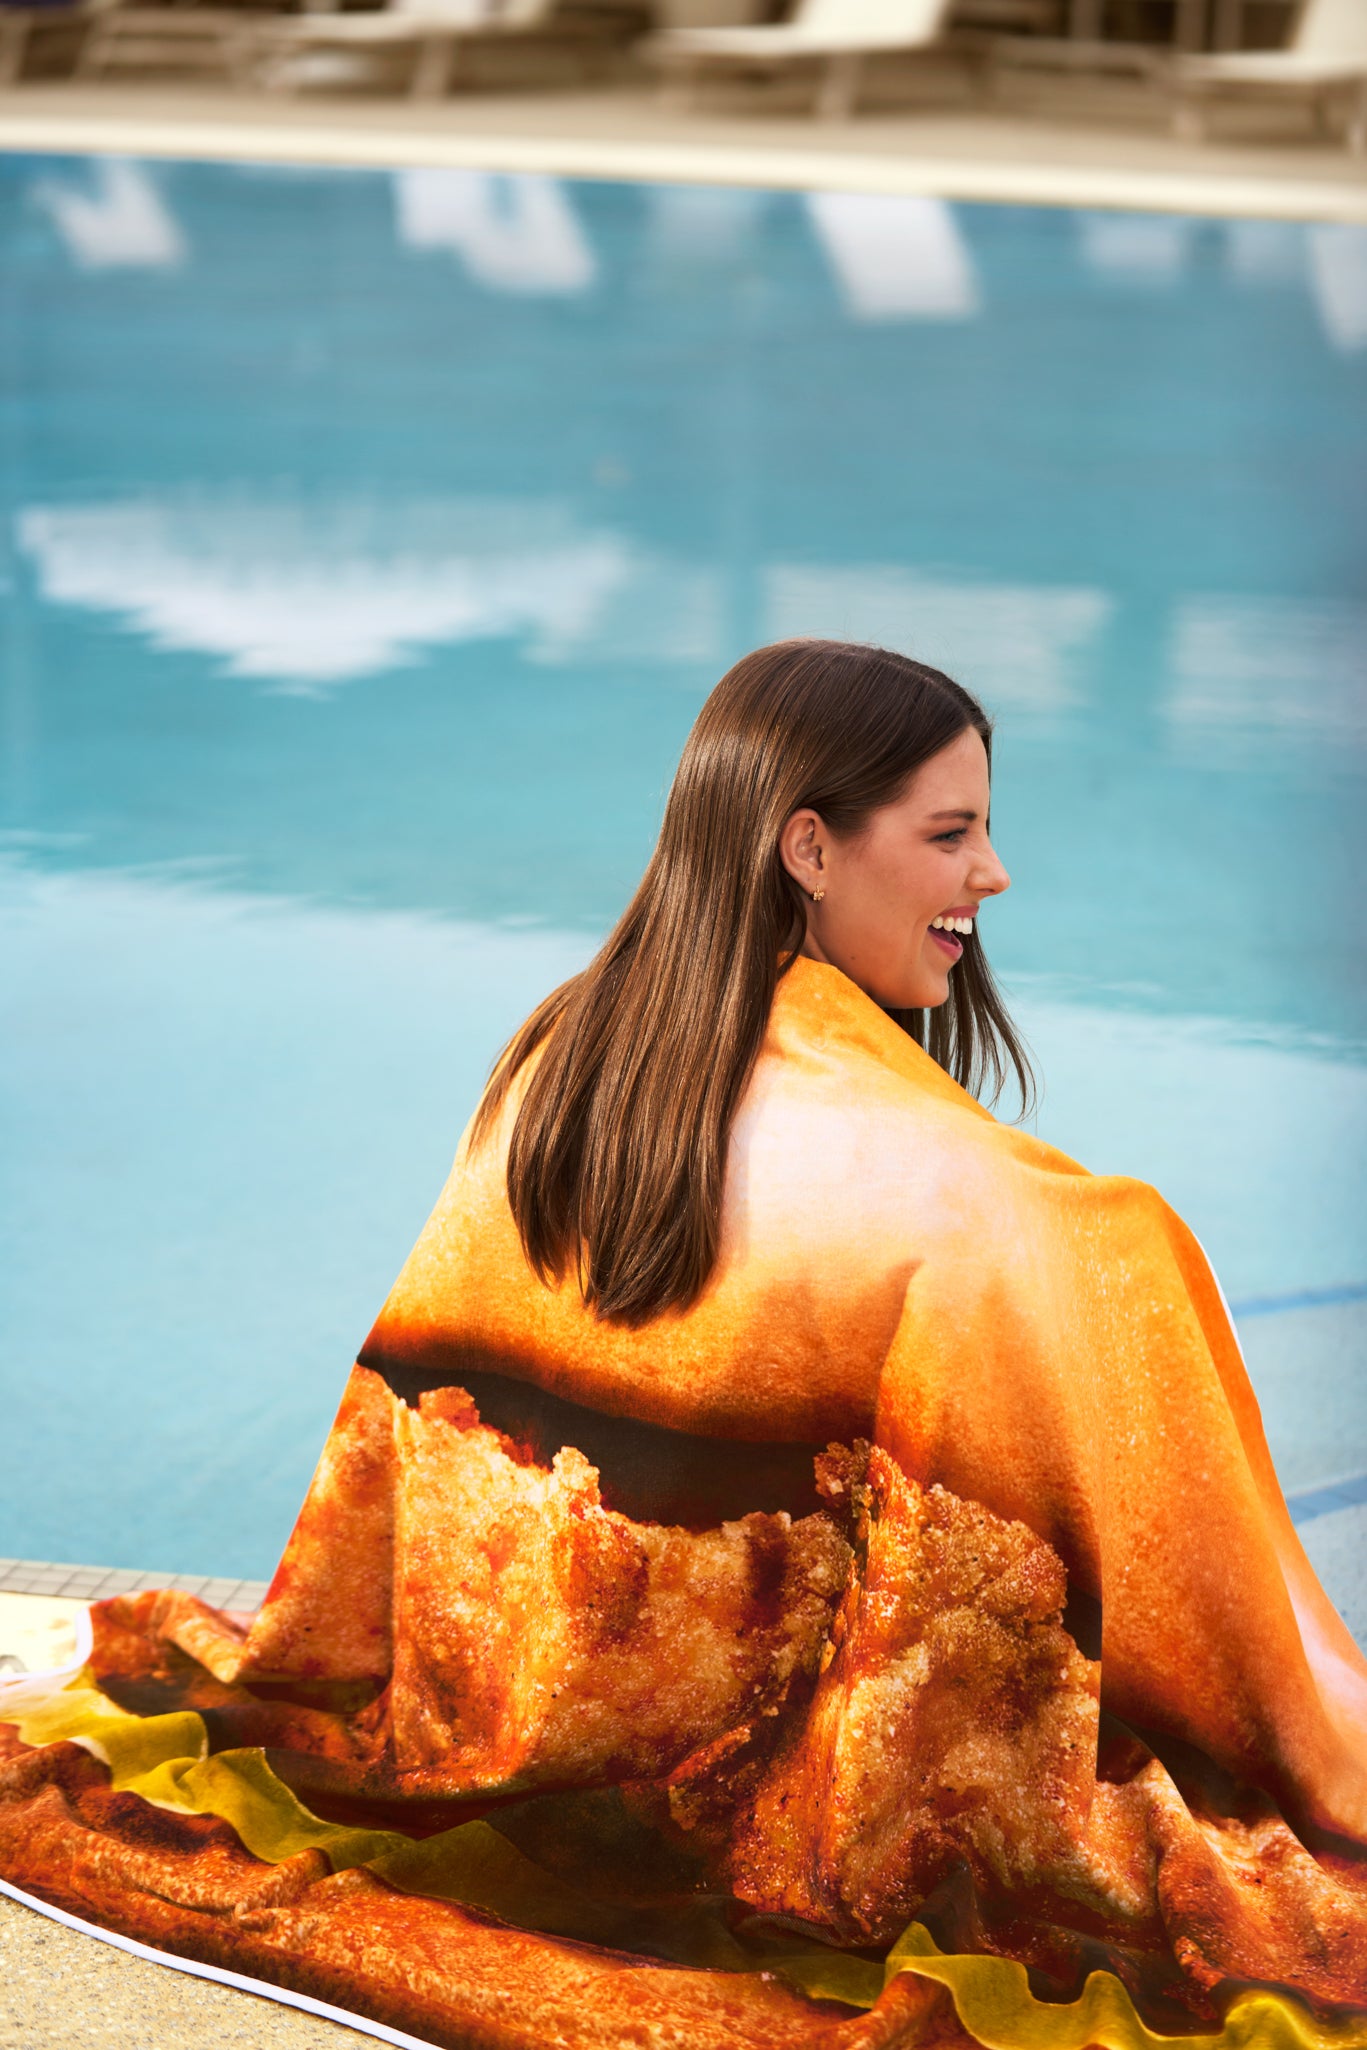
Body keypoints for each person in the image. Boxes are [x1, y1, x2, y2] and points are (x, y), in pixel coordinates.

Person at [3, 640, 1365, 2050]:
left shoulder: (556, 1067)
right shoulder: (1022, 1222)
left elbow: (409, 1488)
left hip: (526, 1745)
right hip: (788, 1830)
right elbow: (1241, 1683)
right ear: (811, 848)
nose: (994, 873)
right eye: (952, 833)